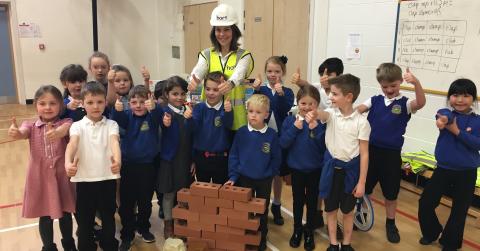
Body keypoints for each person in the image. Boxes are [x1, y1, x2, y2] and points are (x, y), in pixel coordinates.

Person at [356, 63, 426, 243]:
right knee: (364, 189)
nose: (389, 89)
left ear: (401, 82)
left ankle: (390, 223)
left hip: (391, 156)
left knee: (391, 193)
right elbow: (356, 111)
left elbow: (421, 102)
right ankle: (361, 214)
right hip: (370, 153)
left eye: (393, 85)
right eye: (385, 86)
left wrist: (416, 83)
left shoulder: (405, 103)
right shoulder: (375, 99)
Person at [8, 85, 76, 251]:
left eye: (52, 103)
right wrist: (17, 133)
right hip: (40, 178)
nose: (47, 107)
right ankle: (48, 247)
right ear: (36, 105)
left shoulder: (67, 122)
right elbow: (23, 132)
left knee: (66, 214)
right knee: (45, 216)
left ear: (61, 105)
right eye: (43, 103)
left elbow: (66, 129)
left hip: (62, 177)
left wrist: (59, 132)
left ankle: (69, 244)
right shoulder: (30, 125)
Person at [418, 79, 480, 251]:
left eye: (465, 96)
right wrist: (443, 120)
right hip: (443, 170)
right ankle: (432, 232)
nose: (460, 100)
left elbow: (477, 144)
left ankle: (450, 242)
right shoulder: (447, 115)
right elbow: (443, 113)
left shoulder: (477, 121)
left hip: (467, 172)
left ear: (473, 99)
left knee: (459, 211)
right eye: (455, 95)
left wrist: (457, 132)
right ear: (449, 97)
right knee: (426, 203)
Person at [315, 74, 370, 251]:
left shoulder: (362, 122)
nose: (330, 97)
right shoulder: (331, 114)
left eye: (335, 94)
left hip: (350, 174)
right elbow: (321, 113)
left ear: (348, 97)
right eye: (331, 93)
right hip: (332, 171)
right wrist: (313, 113)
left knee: (348, 212)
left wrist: (361, 182)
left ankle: (346, 244)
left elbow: (364, 154)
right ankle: (333, 243)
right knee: (330, 210)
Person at [65, 82, 121, 251]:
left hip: (107, 179)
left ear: (105, 102)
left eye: (99, 102)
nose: (95, 106)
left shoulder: (112, 124)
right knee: (85, 219)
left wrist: (118, 161)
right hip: (84, 180)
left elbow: (114, 143)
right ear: (82, 103)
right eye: (90, 102)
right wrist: (68, 162)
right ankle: (86, 246)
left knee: (108, 216)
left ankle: (109, 245)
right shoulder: (77, 126)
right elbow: (72, 145)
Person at [291, 57, 344, 229]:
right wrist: (300, 82)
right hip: (318, 140)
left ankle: (332, 221)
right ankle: (317, 215)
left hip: (335, 143)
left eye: (330, 74)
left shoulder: (340, 92)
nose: (325, 77)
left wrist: (329, 89)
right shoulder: (318, 89)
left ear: (340, 76)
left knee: (329, 185)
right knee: (318, 185)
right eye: (322, 73)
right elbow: (310, 92)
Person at [110, 85, 165, 250]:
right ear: (129, 104)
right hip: (128, 167)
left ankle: (143, 227)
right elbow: (117, 121)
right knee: (126, 204)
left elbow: (158, 116)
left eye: (142, 102)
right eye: (134, 102)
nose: (139, 105)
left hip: (148, 167)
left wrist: (154, 108)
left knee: (145, 202)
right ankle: (127, 234)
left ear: (148, 103)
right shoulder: (126, 116)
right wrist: (118, 110)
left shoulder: (152, 117)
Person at [225, 94, 281, 251]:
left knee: (262, 210)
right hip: (244, 179)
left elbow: (276, 157)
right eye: (250, 111)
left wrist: (271, 172)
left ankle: (262, 237)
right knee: (246, 210)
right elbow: (234, 155)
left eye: (258, 112)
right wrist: (233, 176)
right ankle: (248, 235)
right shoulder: (241, 133)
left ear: (266, 114)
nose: (253, 115)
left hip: (264, 180)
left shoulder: (271, 135)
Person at [188, 3, 254, 131]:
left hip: (235, 119)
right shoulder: (206, 54)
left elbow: (239, 73)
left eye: (226, 29)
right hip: (209, 117)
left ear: (234, 31)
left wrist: (230, 83)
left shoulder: (244, 56)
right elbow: (199, 69)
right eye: (218, 29)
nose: (222, 34)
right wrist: (193, 79)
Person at [279, 85, 326, 250]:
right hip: (297, 170)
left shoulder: (320, 122)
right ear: (297, 103)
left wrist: (317, 130)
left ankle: (309, 231)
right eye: (303, 103)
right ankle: (297, 229)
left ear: (317, 105)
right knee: (298, 201)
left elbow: (324, 148)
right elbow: (283, 143)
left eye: (311, 104)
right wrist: (294, 129)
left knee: (313, 202)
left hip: (315, 170)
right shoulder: (290, 120)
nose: (306, 107)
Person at [253, 55, 294, 225]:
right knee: (262, 171)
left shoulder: (288, 91)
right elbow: (254, 108)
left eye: (277, 71)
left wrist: (281, 93)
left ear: (283, 72)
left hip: (278, 139)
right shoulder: (261, 89)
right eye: (269, 71)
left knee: (277, 173)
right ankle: (259, 204)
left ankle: (276, 204)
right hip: (260, 137)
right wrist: (255, 90)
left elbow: (284, 109)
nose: (273, 74)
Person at [156, 76, 195, 239]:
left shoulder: (189, 112)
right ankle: (168, 224)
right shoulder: (163, 112)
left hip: (185, 160)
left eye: (182, 94)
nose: (179, 97)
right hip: (169, 160)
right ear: (166, 94)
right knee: (169, 194)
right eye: (174, 94)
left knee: (184, 193)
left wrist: (193, 159)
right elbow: (159, 130)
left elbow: (193, 138)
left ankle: (182, 222)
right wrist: (164, 124)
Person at [191, 71, 233, 184]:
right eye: (208, 89)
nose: (211, 93)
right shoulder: (199, 108)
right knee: (203, 192)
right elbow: (192, 130)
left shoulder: (226, 108)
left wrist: (228, 111)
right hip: (201, 158)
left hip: (221, 159)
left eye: (215, 89)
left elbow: (229, 124)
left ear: (223, 91)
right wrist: (188, 118)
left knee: (220, 194)